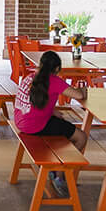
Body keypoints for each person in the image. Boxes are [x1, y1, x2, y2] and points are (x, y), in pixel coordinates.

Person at [16, 50, 89, 198]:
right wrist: (83, 87)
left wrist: (51, 111)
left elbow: (35, 101)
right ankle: (59, 174)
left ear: (41, 64)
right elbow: (79, 95)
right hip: (37, 126)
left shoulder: (30, 77)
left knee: (60, 123)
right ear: (56, 69)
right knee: (81, 137)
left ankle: (55, 166)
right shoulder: (54, 81)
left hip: (21, 122)